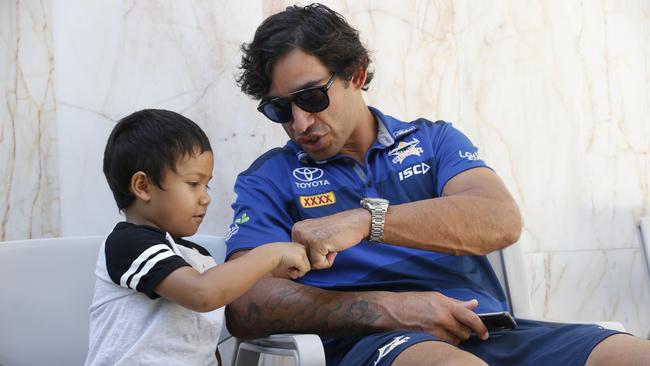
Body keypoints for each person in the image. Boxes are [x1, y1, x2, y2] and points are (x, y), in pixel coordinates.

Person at [224, 3, 650, 366]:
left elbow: (499, 219)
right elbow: (243, 305)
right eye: (280, 109)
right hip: (377, 344)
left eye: (312, 97)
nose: (300, 123)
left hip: (489, 329)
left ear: (355, 74)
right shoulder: (268, 179)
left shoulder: (433, 141)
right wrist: (388, 310)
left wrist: (365, 221)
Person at [85, 109, 310, 366]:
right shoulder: (128, 245)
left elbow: (200, 340)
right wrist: (270, 253)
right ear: (143, 187)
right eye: (193, 183)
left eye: (207, 185)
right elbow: (202, 294)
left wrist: (284, 267)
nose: (206, 197)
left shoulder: (196, 257)